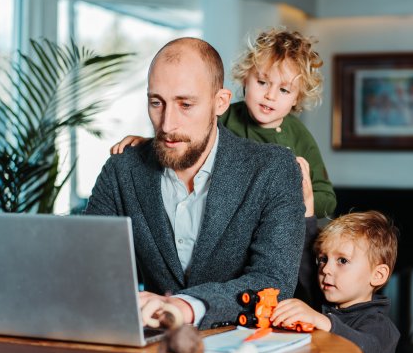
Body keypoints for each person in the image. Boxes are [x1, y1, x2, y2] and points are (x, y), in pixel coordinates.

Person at [85, 37, 306, 330]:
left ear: (220, 103)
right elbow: (89, 268)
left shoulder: (274, 169)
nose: (167, 124)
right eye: (156, 103)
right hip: (149, 352)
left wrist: (186, 306)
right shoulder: (121, 170)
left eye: (185, 104)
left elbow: (272, 281)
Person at [110, 28, 336, 218]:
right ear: (245, 78)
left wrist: (299, 198)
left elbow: (327, 198)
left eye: (284, 90)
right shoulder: (224, 116)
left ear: (297, 97)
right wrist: (148, 143)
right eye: (262, 82)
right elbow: (190, 138)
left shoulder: (299, 136)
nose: (270, 95)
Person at [270, 210, 400, 353]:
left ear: (378, 275)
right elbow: (306, 263)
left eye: (342, 261)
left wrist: (321, 321)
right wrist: (308, 213)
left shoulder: (379, 325)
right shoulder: (328, 306)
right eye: (323, 259)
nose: (326, 269)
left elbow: (362, 349)